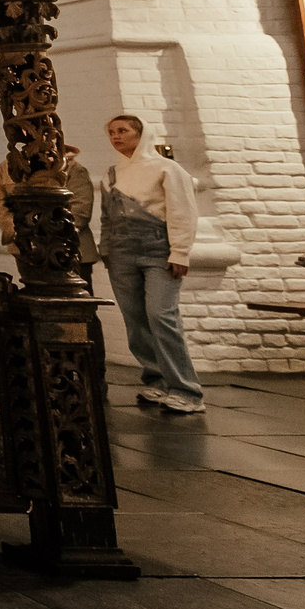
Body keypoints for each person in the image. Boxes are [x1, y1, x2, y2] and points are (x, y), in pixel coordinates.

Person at [99, 114, 205, 414]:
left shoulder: (167, 169)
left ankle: (187, 390)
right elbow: (107, 217)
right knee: (135, 319)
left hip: (158, 250)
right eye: (111, 132)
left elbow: (182, 210)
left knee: (161, 315)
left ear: (141, 133)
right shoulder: (110, 173)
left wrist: (180, 252)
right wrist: (106, 249)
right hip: (121, 253)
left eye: (123, 130)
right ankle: (156, 378)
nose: (116, 136)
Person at [0, 145, 100, 272]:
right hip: (26, 251)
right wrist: (16, 229)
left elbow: (81, 207)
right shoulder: (7, 168)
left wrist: (49, 233)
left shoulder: (72, 168)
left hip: (69, 251)